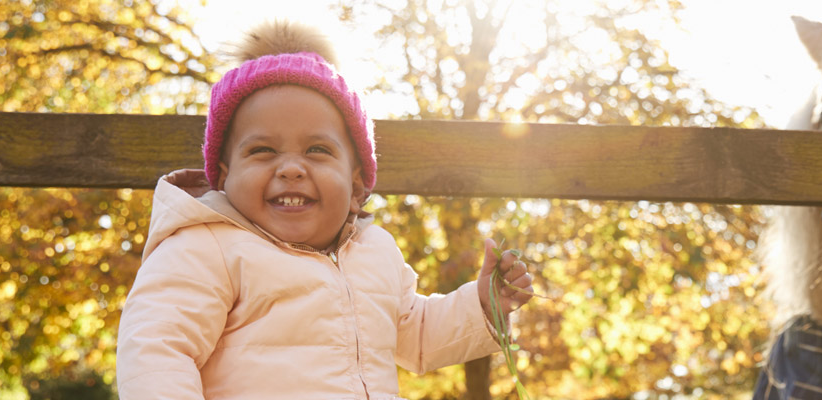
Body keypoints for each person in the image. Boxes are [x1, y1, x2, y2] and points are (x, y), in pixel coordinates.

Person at [115, 20, 534, 399]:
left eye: (317, 150)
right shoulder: (208, 245)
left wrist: (484, 303)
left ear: (355, 187)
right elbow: (157, 347)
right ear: (223, 178)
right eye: (262, 150)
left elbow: (417, 334)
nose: (292, 168)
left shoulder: (375, 252)